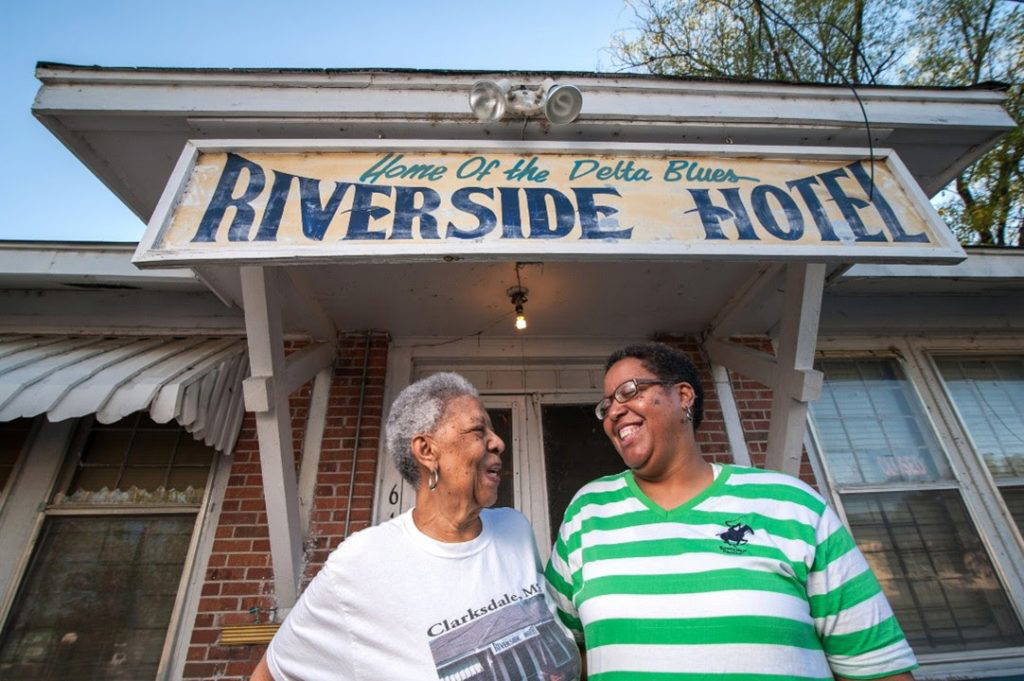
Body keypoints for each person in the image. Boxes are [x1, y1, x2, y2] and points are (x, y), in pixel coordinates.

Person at [544, 342, 917, 680]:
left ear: (684, 396)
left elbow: (878, 668)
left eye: (629, 391)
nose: (614, 412)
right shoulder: (587, 512)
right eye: (606, 405)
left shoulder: (790, 504)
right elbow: (567, 651)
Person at [251, 372, 580, 681]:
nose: (498, 443)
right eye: (479, 431)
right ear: (426, 450)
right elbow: (271, 672)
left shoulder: (515, 528)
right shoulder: (360, 563)